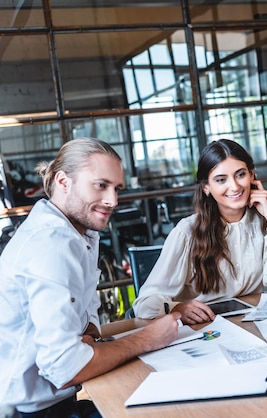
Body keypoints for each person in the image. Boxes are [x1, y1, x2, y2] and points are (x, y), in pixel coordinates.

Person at [0, 138, 181, 417]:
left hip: (57, 397)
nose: (113, 200)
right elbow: (66, 368)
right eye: (100, 185)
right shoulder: (51, 243)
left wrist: (89, 337)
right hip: (30, 410)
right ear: (63, 182)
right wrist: (147, 339)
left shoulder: (81, 229)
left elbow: (86, 320)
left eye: (116, 188)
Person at [133, 139, 267, 324]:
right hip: (201, 330)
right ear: (206, 188)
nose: (235, 186)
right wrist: (176, 308)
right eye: (221, 180)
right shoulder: (186, 232)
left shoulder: (262, 223)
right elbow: (144, 305)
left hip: (250, 323)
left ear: (252, 176)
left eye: (240, 174)